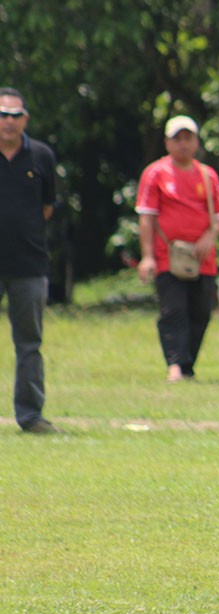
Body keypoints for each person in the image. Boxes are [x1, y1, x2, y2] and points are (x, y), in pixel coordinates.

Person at [136, 115, 219, 383]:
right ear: (167, 143)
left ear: (197, 142)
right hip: (168, 256)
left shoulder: (207, 175)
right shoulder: (155, 173)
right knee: (173, 310)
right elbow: (147, 217)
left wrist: (209, 237)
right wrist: (147, 257)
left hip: (202, 258)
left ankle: (188, 365)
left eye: (188, 138)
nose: (183, 144)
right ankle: (175, 365)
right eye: (177, 139)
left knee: (201, 312)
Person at [0, 87, 58, 433]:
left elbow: (47, 206)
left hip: (28, 264)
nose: (8, 121)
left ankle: (31, 416)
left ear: (25, 119)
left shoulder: (41, 155)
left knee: (29, 343)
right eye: (2, 115)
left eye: (15, 115)